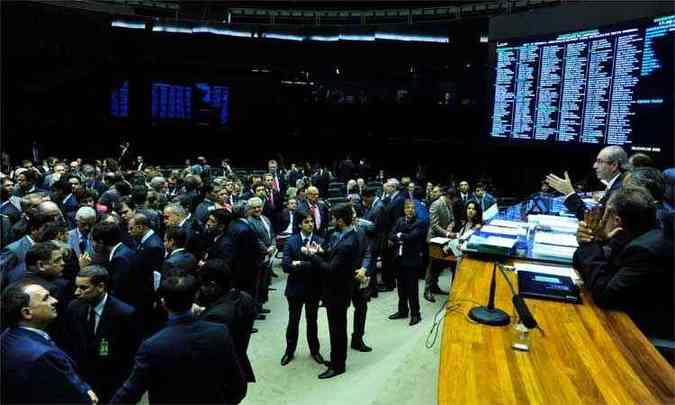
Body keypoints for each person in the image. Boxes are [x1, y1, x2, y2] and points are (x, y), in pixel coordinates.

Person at [110, 274, 247, 404]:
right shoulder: (220, 332)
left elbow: (130, 393)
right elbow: (238, 386)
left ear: (163, 303)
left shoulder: (152, 345)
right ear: (195, 297)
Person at [573, 187, 673, 341]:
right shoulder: (643, 232)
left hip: (645, 335)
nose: (601, 220)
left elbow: (605, 295)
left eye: (606, 215)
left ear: (617, 220)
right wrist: (599, 242)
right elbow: (601, 272)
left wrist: (590, 245)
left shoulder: (643, 251)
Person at [1, 280, 97, 404]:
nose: (54, 301)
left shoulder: (7, 335)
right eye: (46, 299)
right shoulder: (44, 356)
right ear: (27, 313)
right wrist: (87, 394)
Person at [61, 266, 140, 403]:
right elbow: (70, 345)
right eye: (77, 287)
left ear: (101, 287)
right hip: (82, 383)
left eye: (83, 288)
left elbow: (130, 356)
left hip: (111, 385)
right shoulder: (74, 307)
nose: (77, 292)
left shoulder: (125, 314)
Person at [305, 203, 359, 379]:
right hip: (336, 289)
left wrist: (311, 255)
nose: (332, 221)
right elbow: (332, 255)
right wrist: (321, 251)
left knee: (337, 329)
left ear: (341, 221)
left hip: (338, 291)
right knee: (336, 327)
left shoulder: (348, 242)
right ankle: (337, 359)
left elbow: (330, 269)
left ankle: (338, 365)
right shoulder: (344, 234)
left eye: (334, 218)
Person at [197, 259, 257, 387]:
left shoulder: (214, 317)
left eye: (203, 285)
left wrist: (201, 317)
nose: (201, 289)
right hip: (239, 364)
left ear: (213, 285)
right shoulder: (245, 297)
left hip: (221, 378)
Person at [280, 212, 326, 366]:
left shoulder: (320, 241)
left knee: (312, 321)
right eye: (306, 222)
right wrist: (308, 264)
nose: (310, 224)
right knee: (293, 321)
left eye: (312, 221)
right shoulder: (291, 242)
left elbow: (323, 266)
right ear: (300, 224)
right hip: (295, 289)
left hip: (313, 289)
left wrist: (297, 263)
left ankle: (315, 351)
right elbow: (286, 266)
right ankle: (289, 351)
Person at [546, 146, 627, 220]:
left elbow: (594, 221)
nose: (594, 166)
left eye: (600, 161)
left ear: (614, 165)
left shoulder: (619, 190)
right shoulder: (619, 183)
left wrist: (569, 193)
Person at [388, 200, 426, 326]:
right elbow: (391, 235)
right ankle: (403, 311)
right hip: (399, 259)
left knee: (412, 289)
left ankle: (416, 314)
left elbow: (412, 237)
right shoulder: (399, 220)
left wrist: (400, 235)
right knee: (401, 288)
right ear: (404, 209)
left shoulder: (420, 223)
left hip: (411, 261)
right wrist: (401, 235)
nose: (410, 210)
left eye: (413, 208)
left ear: (416, 210)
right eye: (408, 208)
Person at [423, 186, 456, 302]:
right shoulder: (436, 204)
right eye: (451, 200)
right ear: (448, 197)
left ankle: (434, 286)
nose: (452, 203)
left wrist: (451, 225)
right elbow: (434, 224)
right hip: (434, 239)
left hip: (444, 238)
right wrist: (447, 233)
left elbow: (452, 219)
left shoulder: (449, 204)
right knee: (432, 265)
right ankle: (427, 290)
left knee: (440, 265)